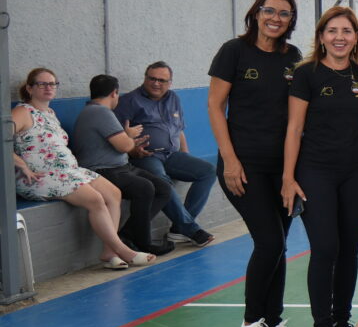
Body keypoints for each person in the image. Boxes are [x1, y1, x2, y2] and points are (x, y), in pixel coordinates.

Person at [208, 0, 306, 327]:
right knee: (269, 242)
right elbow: (216, 107)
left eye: (284, 14)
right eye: (270, 11)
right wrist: (230, 160)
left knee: (279, 246)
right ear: (257, 12)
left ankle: (273, 322)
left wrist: (292, 173)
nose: (276, 19)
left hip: (282, 170)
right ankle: (251, 322)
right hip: (243, 167)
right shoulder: (234, 51)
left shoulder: (292, 57)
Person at [284, 6, 358, 327]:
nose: (340, 37)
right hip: (315, 171)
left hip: (357, 173)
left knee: (349, 249)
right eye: (332, 30)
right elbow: (293, 129)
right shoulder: (306, 74)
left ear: (356, 38)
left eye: (347, 31)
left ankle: (341, 323)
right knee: (325, 249)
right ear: (321, 36)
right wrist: (288, 178)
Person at [11, 67, 153, 269]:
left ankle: (108, 251)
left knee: (114, 193)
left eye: (52, 83)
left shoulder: (50, 113)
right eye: (42, 84)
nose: (48, 87)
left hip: (68, 171)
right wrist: (20, 163)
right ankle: (124, 250)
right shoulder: (22, 111)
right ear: (30, 88)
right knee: (95, 199)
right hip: (40, 176)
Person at [69, 74, 173, 257]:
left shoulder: (95, 111)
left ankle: (127, 234)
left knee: (163, 188)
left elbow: (120, 142)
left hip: (122, 167)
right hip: (103, 170)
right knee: (144, 188)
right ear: (114, 93)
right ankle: (143, 243)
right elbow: (124, 145)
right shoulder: (99, 112)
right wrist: (129, 136)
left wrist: (126, 136)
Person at [116, 61, 216, 247]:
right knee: (162, 180)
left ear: (170, 82)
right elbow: (117, 136)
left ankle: (179, 229)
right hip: (146, 156)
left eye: (162, 80)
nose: (156, 83)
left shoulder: (173, 98)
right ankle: (190, 229)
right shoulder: (129, 101)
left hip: (171, 155)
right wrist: (132, 150)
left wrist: (186, 155)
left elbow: (179, 130)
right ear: (145, 78)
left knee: (208, 171)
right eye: (152, 78)